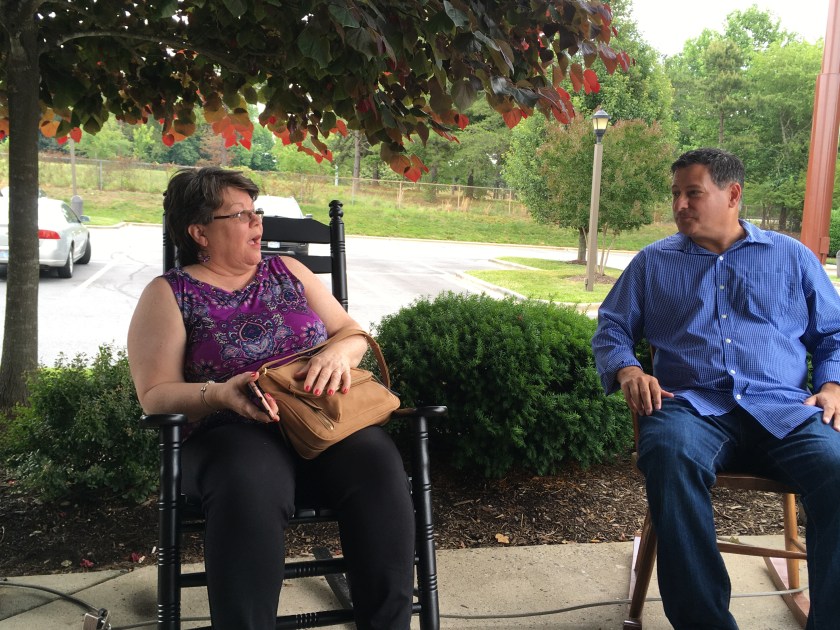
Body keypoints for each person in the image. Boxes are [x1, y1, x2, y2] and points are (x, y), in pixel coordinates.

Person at [127, 167, 415, 630]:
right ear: (199, 232)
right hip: (229, 434)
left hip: (320, 423)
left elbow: (351, 332)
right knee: (249, 479)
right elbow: (155, 396)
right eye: (241, 214)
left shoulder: (289, 271)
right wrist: (221, 394)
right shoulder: (169, 294)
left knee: (376, 463)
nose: (257, 222)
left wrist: (338, 352)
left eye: (255, 211)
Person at [591, 147, 840, 629]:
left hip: (783, 410)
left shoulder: (791, 258)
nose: (679, 205)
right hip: (692, 409)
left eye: (693, 193)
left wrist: (832, 384)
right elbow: (612, 328)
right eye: (675, 194)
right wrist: (628, 371)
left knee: (837, 467)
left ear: (732, 194)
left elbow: (833, 332)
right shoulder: (653, 262)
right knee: (669, 455)